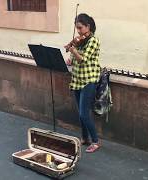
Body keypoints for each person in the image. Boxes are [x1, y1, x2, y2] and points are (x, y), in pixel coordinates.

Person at [64, 13, 101, 153]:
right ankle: (85, 139)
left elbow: (83, 59)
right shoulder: (80, 41)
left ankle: (95, 141)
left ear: (88, 26)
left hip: (89, 80)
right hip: (78, 79)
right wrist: (70, 59)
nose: (78, 31)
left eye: (80, 28)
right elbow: (74, 60)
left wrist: (73, 50)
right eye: (77, 28)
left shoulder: (93, 41)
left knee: (84, 113)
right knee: (80, 113)